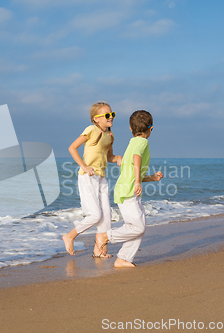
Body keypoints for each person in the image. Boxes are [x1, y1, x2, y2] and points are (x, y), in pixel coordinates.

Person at [95, 110, 163, 268]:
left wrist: (150, 178)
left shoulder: (132, 143)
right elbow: (136, 158)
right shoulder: (142, 143)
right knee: (137, 227)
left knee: (139, 227)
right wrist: (138, 181)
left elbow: (132, 171)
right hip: (128, 192)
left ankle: (124, 258)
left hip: (127, 190)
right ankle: (105, 236)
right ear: (150, 129)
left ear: (131, 130)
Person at [62, 101, 122, 257]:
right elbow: (72, 148)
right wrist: (84, 166)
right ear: (96, 119)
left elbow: (109, 157)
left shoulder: (110, 135)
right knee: (95, 215)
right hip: (87, 177)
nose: (111, 117)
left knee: (106, 216)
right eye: (107, 115)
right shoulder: (91, 130)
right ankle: (70, 236)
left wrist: (119, 158)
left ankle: (100, 250)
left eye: (112, 114)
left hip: (101, 178)